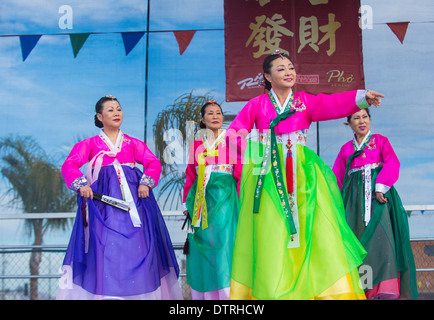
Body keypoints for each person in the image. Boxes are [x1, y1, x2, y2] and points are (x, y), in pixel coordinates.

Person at [226, 50, 385, 300]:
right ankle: (274, 291)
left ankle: (320, 292)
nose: (289, 72)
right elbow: (235, 136)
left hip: (303, 174)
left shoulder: (303, 101)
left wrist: (362, 97)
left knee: (315, 230)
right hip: (269, 175)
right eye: (281, 69)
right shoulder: (256, 105)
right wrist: (239, 160)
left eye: (291, 67)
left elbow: (331, 104)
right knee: (272, 232)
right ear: (267, 76)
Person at [57, 95, 182, 300]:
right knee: (106, 249)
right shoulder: (90, 144)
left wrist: (145, 182)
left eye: (118, 109)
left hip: (135, 205)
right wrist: (82, 184)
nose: (116, 113)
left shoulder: (133, 143)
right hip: (102, 207)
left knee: (139, 248)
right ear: (99, 116)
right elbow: (69, 165)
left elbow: (153, 163)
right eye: (110, 110)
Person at [332, 108, 418, 299]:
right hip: (353, 204)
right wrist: (335, 203)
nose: (361, 121)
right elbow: (338, 177)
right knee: (356, 243)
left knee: (382, 244)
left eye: (365, 117)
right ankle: (362, 290)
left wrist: (380, 187)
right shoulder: (346, 149)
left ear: (370, 119)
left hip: (378, 201)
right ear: (349, 123)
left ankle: (384, 291)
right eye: (356, 118)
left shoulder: (380, 141)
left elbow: (392, 163)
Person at [182, 100, 241, 300]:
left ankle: (229, 296)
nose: (215, 116)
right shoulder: (197, 144)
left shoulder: (233, 140)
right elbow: (191, 174)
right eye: (210, 113)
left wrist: (242, 197)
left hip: (226, 195)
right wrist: (188, 205)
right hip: (201, 197)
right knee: (203, 243)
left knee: (225, 244)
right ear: (202, 119)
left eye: (218, 113)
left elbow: (240, 171)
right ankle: (205, 296)